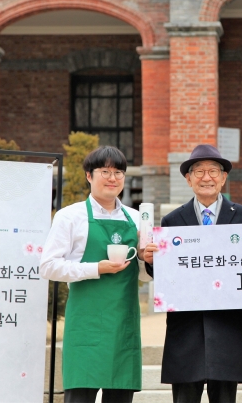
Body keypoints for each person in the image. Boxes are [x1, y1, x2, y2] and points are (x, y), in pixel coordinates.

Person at [143, 144, 242, 403]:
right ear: (188, 178)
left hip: (229, 329)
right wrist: (152, 261)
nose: (207, 177)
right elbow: (166, 275)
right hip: (186, 331)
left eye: (214, 171)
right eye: (199, 171)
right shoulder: (172, 221)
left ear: (224, 177)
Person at [40, 146, 152, 403]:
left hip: (124, 321)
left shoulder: (136, 219)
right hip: (86, 324)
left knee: (120, 395)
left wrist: (148, 261)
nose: (113, 178)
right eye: (105, 172)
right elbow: (47, 266)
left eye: (119, 173)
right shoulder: (70, 216)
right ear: (89, 176)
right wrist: (95, 268)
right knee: (80, 394)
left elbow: (144, 277)